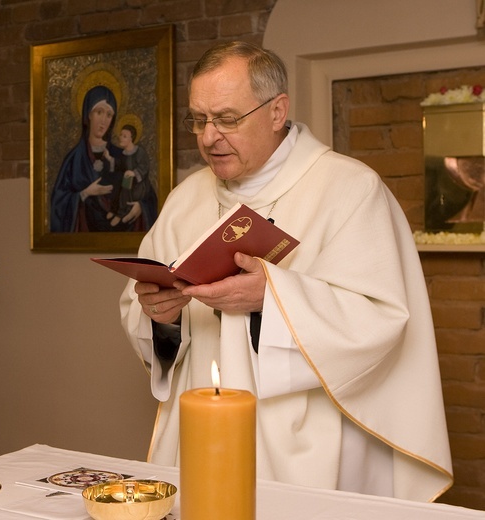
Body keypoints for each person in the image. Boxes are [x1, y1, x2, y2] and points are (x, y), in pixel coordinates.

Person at [119, 42, 453, 502]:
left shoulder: (349, 190)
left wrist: (270, 299)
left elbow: (382, 317)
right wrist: (162, 317)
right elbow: (142, 304)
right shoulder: (186, 199)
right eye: (199, 119)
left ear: (277, 111)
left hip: (309, 440)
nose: (209, 137)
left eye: (227, 118)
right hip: (199, 439)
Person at [50, 85, 155, 232]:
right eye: (99, 112)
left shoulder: (122, 155)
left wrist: (140, 207)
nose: (104, 121)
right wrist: (85, 193)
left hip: (124, 232)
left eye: (109, 114)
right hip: (84, 238)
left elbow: (148, 194)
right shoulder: (74, 159)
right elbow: (58, 203)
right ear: (88, 114)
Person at [106, 124, 156, 230]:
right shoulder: (124, 154)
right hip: (127, 182)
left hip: (139, 185)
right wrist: (109, 158)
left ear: (131, 138)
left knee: (126, 184)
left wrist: (134, 173)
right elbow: (119, 164)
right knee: (118, 182)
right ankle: (115, 210)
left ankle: (122, 214)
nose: (120, 137)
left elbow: (144, 166)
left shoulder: (139, 152)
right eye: (120, 135)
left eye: (124, 136)